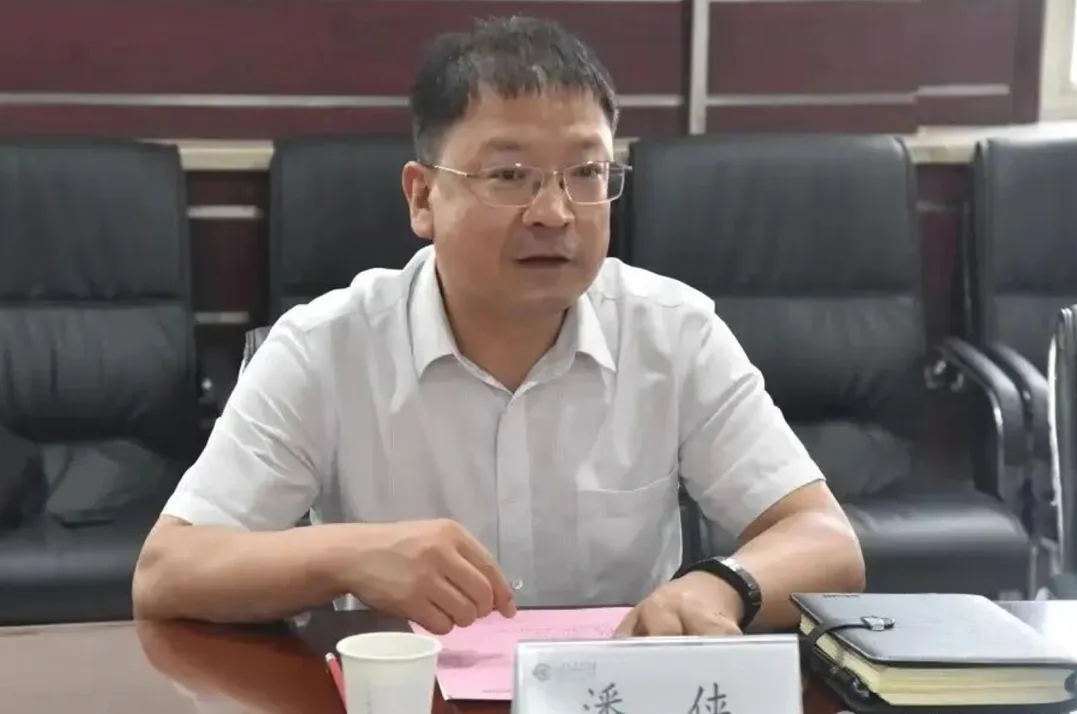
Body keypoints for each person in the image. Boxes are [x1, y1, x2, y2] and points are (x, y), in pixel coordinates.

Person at [132, 15, 864, 636]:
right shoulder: (326, 348)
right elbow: (168, 571)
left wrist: (723, 586)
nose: (555, 212)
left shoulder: (676, 334)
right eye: (510, 176)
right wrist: (349, 557)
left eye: (587, 173)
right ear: (422, 198)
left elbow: (825, 539)